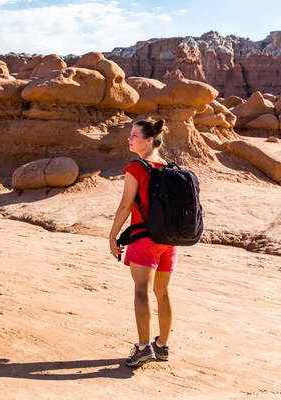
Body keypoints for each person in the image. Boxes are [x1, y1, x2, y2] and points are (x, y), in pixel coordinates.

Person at [109, 119, 177, 368]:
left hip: (144, 239)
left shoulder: (136, 167)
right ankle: (162, 346)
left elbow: (126, 205)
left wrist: (113, 235)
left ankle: (142, 347)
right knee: (163, 292)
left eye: (135, 135)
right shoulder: (169, 167)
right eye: (130, 134)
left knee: (141, 290)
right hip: (169, 241)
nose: (130, 138)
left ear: (149, 140)